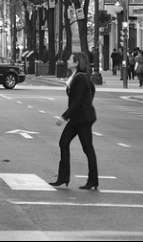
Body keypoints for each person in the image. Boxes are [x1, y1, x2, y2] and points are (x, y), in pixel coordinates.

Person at [49, 51, 98, 190]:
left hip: (82, 118)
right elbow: (91, 91)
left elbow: (77, 100)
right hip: (78, 117)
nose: (67, 61)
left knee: (87, 148)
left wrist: (64, 117)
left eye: (70, 59)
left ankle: (93, 180)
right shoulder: (77, 77)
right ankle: (63, 177)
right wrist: (87, 103)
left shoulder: (80, 78)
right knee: (64, 143)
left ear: (76, 63)